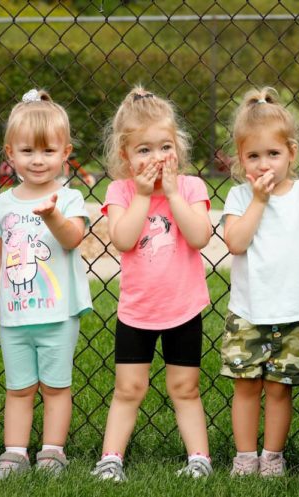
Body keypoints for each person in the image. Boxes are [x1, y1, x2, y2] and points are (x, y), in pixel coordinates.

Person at [220, 87, 299, 477]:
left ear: (291, 152)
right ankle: (245, 456)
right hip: (248, 313)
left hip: (294, 314)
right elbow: (236, 243)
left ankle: (272, 455)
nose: (264, 164)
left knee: (279, 389)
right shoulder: (240, 197)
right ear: (240, 160)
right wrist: (258, 201)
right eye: (253, 156)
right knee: (246, 388)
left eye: (273, 154)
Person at [91, 87, 213, 482]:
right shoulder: (121, 192)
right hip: (137, 311)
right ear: (124, 157)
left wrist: (173, 193)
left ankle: (199, 459)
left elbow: (199, 236)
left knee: (185, 387)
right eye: (143, 150)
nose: (156, 158)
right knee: (128, 388)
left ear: (177, 148)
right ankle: (111, 459)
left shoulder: (191, 188)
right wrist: (144, 194)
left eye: (164, 147)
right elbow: (123, 239)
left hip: (183, 307)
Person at [0, 89, 92, 478]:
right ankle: (15, 451)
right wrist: (3, 297)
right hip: (15, 316)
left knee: (55, 387)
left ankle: (52, 450)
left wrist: (50, 215)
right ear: (10, 153)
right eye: (28, 151)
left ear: (65, 154)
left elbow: (71, 239)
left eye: (48, 151)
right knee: (18, 388)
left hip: (58, 314)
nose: (37, 160)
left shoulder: (68, 199)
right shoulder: (1, 205)